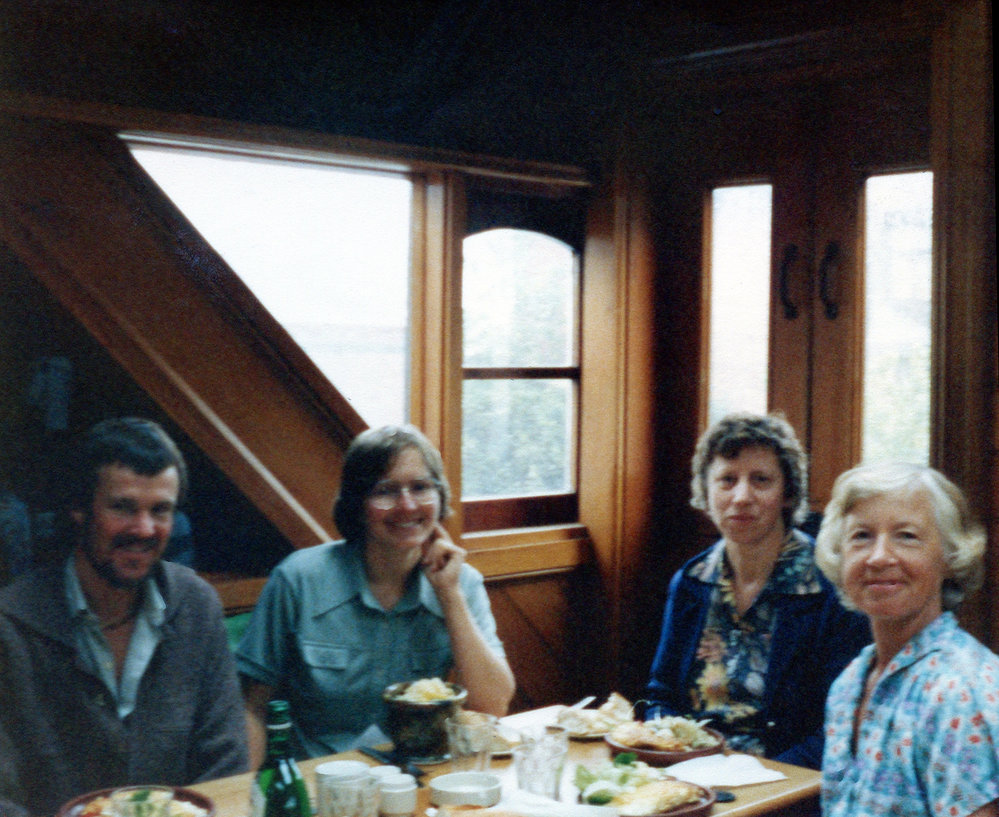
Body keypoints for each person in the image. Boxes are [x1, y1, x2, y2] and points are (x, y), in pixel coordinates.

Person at [0, 418, 248, 817]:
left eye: (160, 511)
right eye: (123, 507)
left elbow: (226, 763)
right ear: (79, 509)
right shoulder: (12, 624)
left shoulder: (196, 606)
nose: (144, 529)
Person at [236, 424, 515, 766]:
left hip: (418, 778)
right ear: (357, 503)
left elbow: (493, 705)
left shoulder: (461, 582)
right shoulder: (298, 579)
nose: (407, 505)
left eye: (421, 487)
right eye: (386, 491)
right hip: (319, 782)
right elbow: (251, 707)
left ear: (440, 498)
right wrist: (245, 796)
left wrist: (449, 595)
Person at [643, 412, 870, 770]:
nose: (742, 496)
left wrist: (761, 783)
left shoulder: (832, 588)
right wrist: (672, 751)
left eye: (761, 480)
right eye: (727, 480)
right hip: (689, 774)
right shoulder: (691, 581)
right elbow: (661, 695)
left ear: (787, 492)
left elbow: (841, 730)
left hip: (788, 784)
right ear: (706, 490)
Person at [815, 462, 999, 817]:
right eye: (861, 536)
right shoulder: (849, 683)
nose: (879, 556)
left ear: (949, 556)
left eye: (906, 536)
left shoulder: (961, 692)